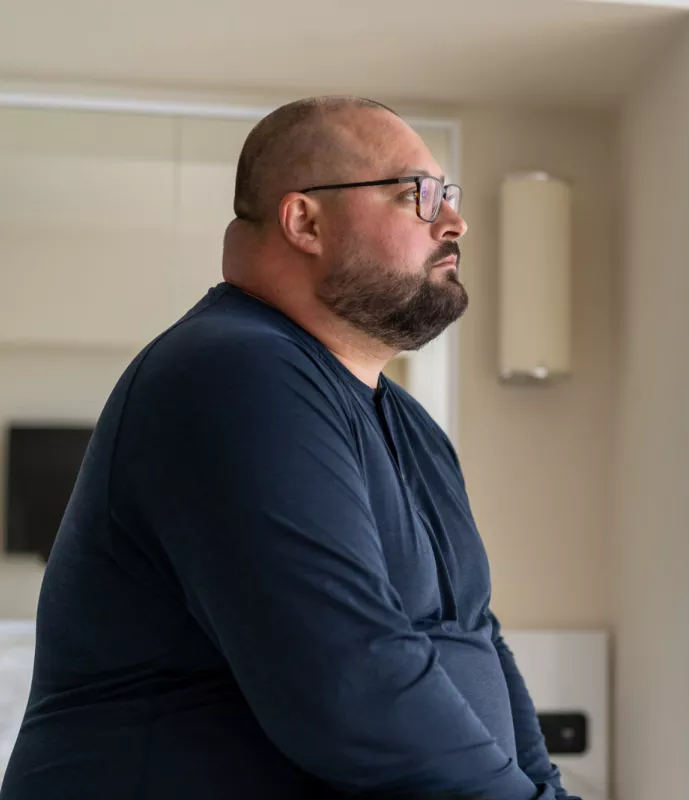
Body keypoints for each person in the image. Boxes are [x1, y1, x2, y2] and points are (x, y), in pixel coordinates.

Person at [0, 96, 579, 800]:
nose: (453, 222)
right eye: (417, 195)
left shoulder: (412, 426)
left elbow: (477, 639)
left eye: (448, 198)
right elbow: (352, 681)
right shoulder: (232, 372)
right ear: (305, 219)